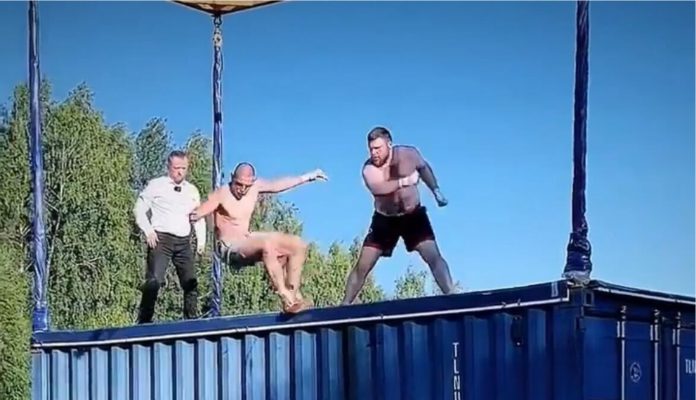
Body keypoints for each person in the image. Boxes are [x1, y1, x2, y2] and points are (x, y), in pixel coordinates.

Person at [190, 162, 328, 314]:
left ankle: (293, 296)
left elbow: (278, 185)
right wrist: (190, 214)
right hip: (230, 248)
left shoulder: (255, 187)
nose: (242, 190)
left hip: (247, 238)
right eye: (238, 184)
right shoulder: (221, 194)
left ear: (253, 182)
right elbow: (199, 212)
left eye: (247, 186)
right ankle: (284, 296)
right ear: (232, 178)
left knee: (297, 245)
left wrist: (308, 177)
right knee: (268, 244)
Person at [341, 126, 455, 305]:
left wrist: (435, 190)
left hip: (412, 216)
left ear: (389, 144)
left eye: (378, 148)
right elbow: (380, 188)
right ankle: (345, 304)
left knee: (433, 255)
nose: (374, 153)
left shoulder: (409, 155)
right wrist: (405, 181)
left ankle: (452, 295)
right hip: (385, 220)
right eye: (371, 149)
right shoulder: (369, 169)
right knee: (363, 264)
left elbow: (424, 168)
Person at [133, 150, 206, 324]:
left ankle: (191, 320)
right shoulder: (156, 185)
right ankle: (144, 321)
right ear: (169, 167)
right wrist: (148, 231)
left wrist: (201, 241)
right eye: (176, 168)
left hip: (183, 241)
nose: (180, 172)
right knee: (154, 281)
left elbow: (197, 217)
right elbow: (139, 209)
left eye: (183, 168)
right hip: (161, 240)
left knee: (191, 282)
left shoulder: (192, 190)